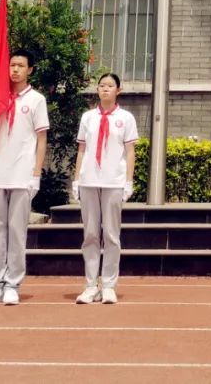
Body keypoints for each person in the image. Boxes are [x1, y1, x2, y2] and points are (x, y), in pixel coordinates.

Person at [0, 48, 49, 306]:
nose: (15, 70)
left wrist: (36, 173)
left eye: (20, 65)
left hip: (22, 173)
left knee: (17, 231)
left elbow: (41, 139)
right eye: (12, 65)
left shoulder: (36, 100)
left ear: (30, 70)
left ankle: (13, 283)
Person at [72, 72, 137, 304]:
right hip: (89, 180)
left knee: (111, 234)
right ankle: (91, 285)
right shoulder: (88, 117)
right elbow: (82, 150)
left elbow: (130, 152)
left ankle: (109, 284)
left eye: (110, 86)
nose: (105, 89)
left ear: (118, 90)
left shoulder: (126, 118)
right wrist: (76, 180)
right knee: (90, 234)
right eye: (101, 86)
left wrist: (128, 181)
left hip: (113, 181)